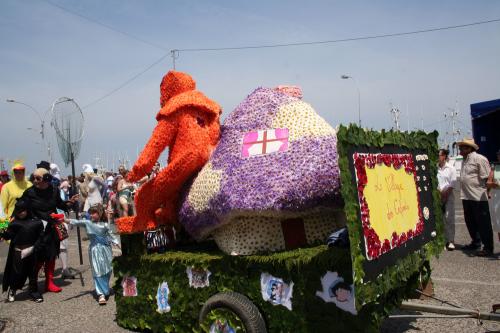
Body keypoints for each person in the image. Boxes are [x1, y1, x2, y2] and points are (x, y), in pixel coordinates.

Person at [19, 168, 79, 292]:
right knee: (38, 258)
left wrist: (70, 203)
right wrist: (7, 224)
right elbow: (18, 208)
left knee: (51, 256)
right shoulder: (28, 192)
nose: (34, 181)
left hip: (51, 228)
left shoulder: (53, 190)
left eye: (38, 178)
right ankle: (32, 283)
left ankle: (49, 282)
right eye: (33, 178)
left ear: (46, 179)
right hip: (35, 230)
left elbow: (60, 204)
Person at [68, 204, 119, 305]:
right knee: (97, 270)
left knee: (107, 270)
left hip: (106, 249)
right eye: (90, 213)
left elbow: (111, 235)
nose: (91, 215)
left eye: (93, 213)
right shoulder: (87, 223)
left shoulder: (104, 224)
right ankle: (101, 294)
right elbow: (76, 222)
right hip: (95, 250)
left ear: (99, 213)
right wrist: (63, 220)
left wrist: (116, 243)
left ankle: (105, 289)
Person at [1, 199, 44, 302]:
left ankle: (34, 292)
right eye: (18, 211)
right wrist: (2, 231)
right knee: (17, 272)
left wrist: (35, 247)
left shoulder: (37, 222)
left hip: (32, 250)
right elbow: (8, 236)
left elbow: (41, 236)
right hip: (18, 251)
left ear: (28, 210)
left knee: (33, 273)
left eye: (23, 210)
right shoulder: (14, 223)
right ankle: (12, 290)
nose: (21, 213)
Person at [457, 138, 494, 257]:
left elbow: (487, 178)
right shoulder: (464, 160)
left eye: (462, 147)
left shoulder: (479, 159)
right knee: (470, 221)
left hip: (478, 196)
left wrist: (488, 192)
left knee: (483, 223)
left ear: (469, 148)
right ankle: (476, 242)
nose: (460, 149)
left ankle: (488, 247)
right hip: (466, 196)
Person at [437, 148, 457, 250]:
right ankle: (443, 241)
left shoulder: (451, 168)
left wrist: (445, 195)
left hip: (448, 196)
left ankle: (451, 241)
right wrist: (439, 193)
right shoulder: (435, 168)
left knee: (449, 218)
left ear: (444, 156)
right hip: (438, 196)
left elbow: (452, 184)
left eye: (439, 155)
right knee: (440, 219)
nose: (438, 157)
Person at [487, 149, 500, 242]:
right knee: (499, 224)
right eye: (498, 154)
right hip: (497, 196)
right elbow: (488, 183)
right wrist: (493, 185)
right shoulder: (494, 168)